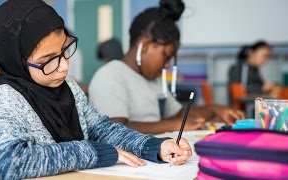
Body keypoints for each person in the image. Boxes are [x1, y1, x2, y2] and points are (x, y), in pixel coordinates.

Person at [0, 0, 192, 179]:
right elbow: (14, 163)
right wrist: (97, 152)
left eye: (65, 50)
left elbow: (102, 129)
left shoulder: (68, 87)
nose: (64, 66)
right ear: (15, 60)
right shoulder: (1, 98)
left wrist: (154, 146)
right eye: (48, 60)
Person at [88, 0, 245, 135]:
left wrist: (215, 110)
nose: (168, 65)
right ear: (146, 47)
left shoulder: (153, 80)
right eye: (166, 56)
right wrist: (173, 125)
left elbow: (178, 113)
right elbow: (113, 129)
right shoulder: (110, 75)